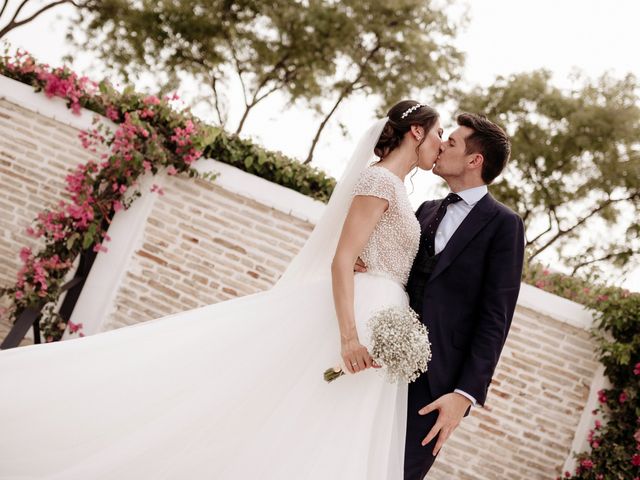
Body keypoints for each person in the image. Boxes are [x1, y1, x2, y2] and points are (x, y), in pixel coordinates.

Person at [0, 100, 444, 479]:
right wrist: (349, 336)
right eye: (439, 133)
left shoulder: (401, 190)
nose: (441, 143)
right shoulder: (380, 180)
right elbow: (343, 259)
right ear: (416, 131)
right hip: (359, 320)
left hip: (383, 315)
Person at [356, 112, 526, 479]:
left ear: (473, 160)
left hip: (437, 386)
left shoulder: (503, 225)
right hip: (382, 363)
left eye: (452, 142)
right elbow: (395, 265)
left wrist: (464, 396)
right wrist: (362, 259)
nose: (441, 144)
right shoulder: (425, 210)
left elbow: (496, 317)